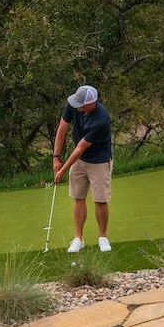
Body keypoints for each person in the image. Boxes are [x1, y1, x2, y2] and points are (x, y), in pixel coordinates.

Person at [53, 84, 113, 252]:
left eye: (81, 104)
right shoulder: (73, 105)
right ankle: (78, 238)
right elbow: (62, 130)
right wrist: (56, 157)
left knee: (100, 199)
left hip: (99, 160)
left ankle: (103, 237)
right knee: (78, 197)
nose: (76, 106)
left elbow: (80, 148)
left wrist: (63, 170)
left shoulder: (101, 119)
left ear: (91, 104)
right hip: (79, 160)